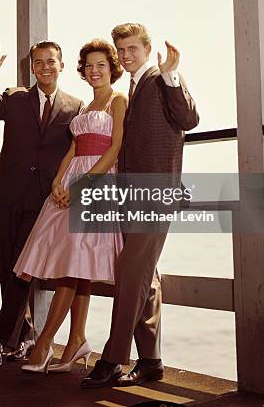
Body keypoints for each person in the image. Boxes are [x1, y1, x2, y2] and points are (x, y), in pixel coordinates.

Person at [81, 23, 199, 388]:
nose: (126, 55)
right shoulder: (129, 90)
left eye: (132, 48)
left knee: (130, 272)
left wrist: (172, 75)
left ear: (147, 49)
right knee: (143, 278)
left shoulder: (160, 80)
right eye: (121, 50)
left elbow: (189, 119)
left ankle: (113, 358)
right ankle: (151, 362)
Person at [0, 38, 83, 369]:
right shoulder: (15, 98)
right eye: (39, 62)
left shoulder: (75, 106)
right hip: (5, 196)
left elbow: (80, 152)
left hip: (44, 202)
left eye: (51, 61)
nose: (45, 66)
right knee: (8, 268)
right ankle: (25, 334)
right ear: (32, 67)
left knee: (21, 270)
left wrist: (68, 187)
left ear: (61, 64)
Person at [13, 39, 127, 374]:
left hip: (96, 183)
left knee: (72, 265)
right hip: (71, 184)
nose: (94, 71)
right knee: (76, 264)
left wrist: (83, 185)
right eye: (89, 66)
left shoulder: (119, 100)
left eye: (100, 65)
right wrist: (57, 183)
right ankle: (76, 340)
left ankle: (46, 341)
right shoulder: (84, 106)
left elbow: (116, 148)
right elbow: (73, 149)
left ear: (112, 68)